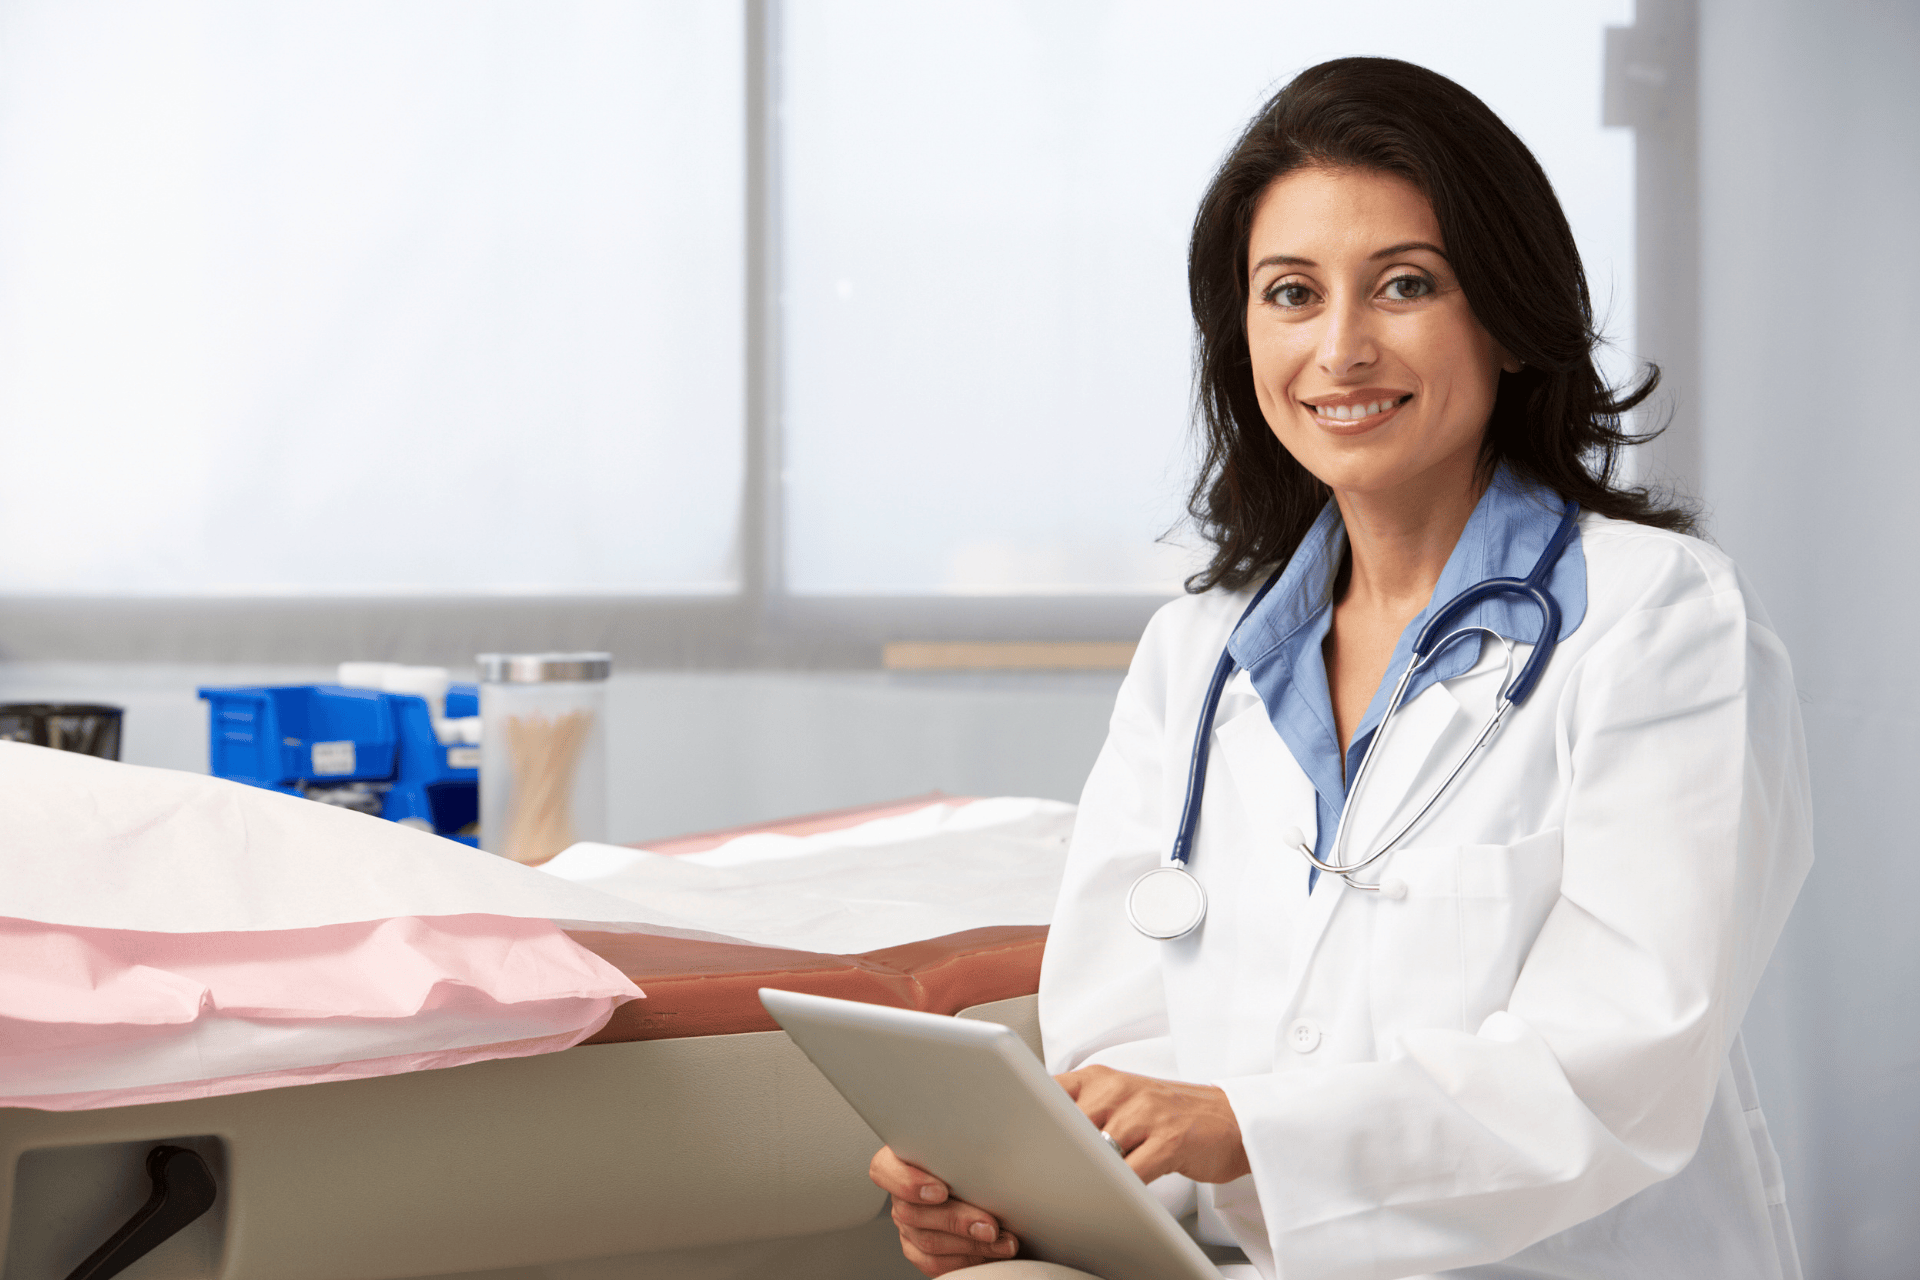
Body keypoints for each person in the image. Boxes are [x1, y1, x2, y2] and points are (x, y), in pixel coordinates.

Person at [869, 56, 1812, 1279]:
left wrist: (1250, 1127)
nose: (1342, 348)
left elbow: (1620, 1063)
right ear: (1243, 335)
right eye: (1292, 294)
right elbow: (1123, 1044)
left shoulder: (1659, 618)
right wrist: (1024, 1192)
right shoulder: (1197, 658)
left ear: (1508, 316)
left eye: (1405, 285)